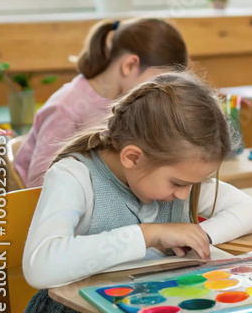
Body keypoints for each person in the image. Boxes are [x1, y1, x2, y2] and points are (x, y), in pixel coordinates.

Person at [1, 72, 252, 313]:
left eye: (195, 183)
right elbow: (40, 266)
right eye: (178, 183)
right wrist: (148, 235)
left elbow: (250, 210)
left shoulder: (176, 177)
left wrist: (196, 234)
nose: (185, 195)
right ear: (132, 157)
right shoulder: (75, 175)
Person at [15, 18, 189, 188]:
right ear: (130, 65)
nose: (160, 93)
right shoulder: (65, 108)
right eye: (159, 82)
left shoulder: (129, 102)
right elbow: (39, 184)